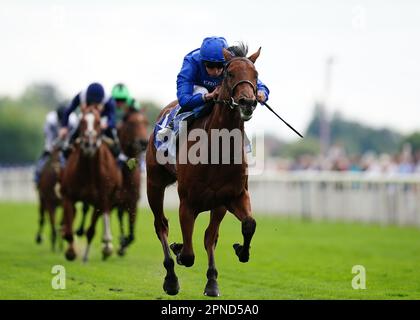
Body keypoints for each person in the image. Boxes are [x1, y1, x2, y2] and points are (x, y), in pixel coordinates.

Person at [157, 36, 269, 138]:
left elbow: (250, 80)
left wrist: (262, 92)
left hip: (221, 91)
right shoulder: (191, 62)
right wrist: (207, 96)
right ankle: (173, 126)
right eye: (210, 66)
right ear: (203, 62)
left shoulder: (232, 62)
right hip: (198, 90)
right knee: (202, 90)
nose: (216, 71)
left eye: (220, 66)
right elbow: (184, 100)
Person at [59, 82, 120, 158]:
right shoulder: (81, 96)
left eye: (96, 104)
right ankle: (64, 159)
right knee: (68, 144)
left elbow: (113, 118)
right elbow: (68, 111)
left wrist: (107, 124)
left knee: (116, 146)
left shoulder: (108, 100)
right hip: (86, 120)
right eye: (91, 103)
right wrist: (64, 127)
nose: (93, 107)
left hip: (102, 121)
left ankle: (119, 162)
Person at [34, 104, 77, 184]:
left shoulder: (73, 120)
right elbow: (48, 135)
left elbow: (73, 136)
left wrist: (67, 145)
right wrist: (50, 147)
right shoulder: (50, 121)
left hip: (67, 141)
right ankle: (37, 177)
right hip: (53, 140)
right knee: (43, 158)